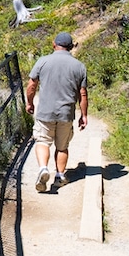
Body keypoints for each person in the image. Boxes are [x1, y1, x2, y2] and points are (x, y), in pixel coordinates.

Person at [25, 31, 88, 193]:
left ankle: (43, 169)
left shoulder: (43, 61)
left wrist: (29, 103)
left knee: (42, 141)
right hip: (66, 113)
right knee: (62, 146)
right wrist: (84, 115)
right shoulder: (79, 66)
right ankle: (60, 175)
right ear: (71, 47)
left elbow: (32, 85)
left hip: (45, 112)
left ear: (54, 44)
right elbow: (83, 94)